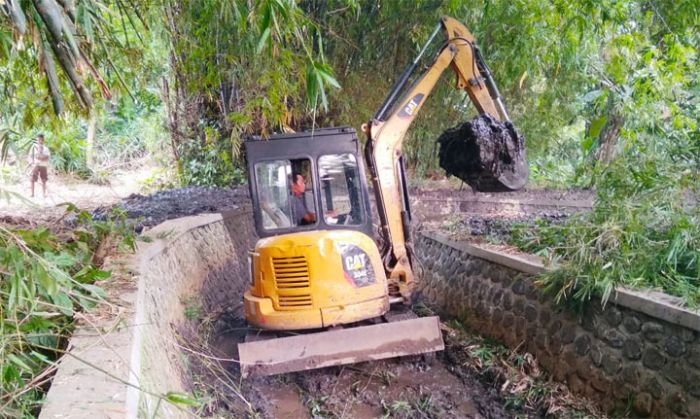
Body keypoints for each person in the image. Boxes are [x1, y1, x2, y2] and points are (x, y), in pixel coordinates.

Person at [28, 134, 50, 198]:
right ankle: (32, 194)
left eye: (42, 140)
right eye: (39, 140)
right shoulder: (33, 148)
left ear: (43, 140)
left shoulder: (46, 149)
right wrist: (31, 163)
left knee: (44, 179)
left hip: (43, 165)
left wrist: (40, 155)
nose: (40, 141)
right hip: (35, 165)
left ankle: (44, 194)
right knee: (32, 179)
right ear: (36, 140)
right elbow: (30, 156)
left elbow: (46, 157)